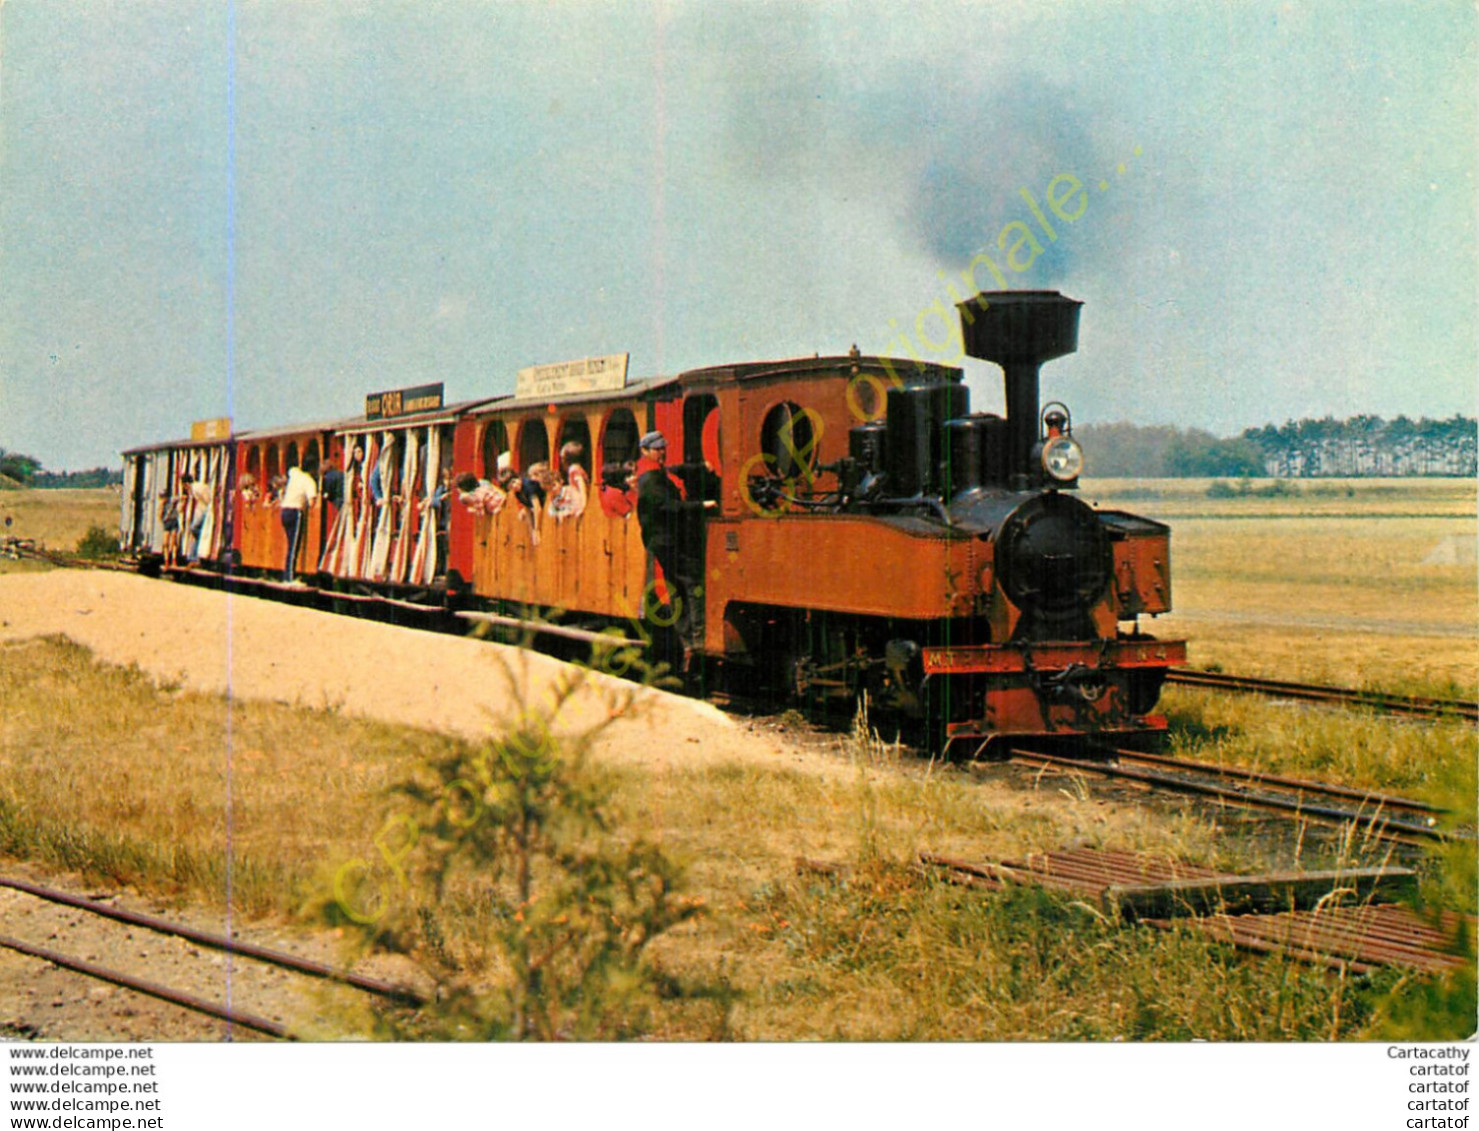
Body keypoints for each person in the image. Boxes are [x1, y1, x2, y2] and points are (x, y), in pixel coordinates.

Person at [634, 431, 715, 667]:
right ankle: (696, 640)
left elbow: (676, 469)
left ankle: (689, 642)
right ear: (645, 451)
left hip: (665, 540)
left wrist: (700, 466)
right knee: (691, 583)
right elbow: (667, 506)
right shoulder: (649, 479)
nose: (662, 452)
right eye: (657, 449)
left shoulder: (653, 471)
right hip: (666, 541)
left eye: (663, 447)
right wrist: (700, 505)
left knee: (678, 588)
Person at [279, 458, 319, 583]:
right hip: (295, 512)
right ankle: (289, 578)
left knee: (291, 545)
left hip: (284, 510)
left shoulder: (295, 473)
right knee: (294, 546)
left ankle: (288, 575)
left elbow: (287, 474)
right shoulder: (309, 481)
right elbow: (312, 502)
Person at [549, 442, 590, 520]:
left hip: (578, 501)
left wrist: (582, 507)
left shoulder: (573, 469)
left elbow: (582, 487)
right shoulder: (577, 469)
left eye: (562, 458)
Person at [182, 472, 212, 564]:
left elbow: (207, 498)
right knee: (195, 533)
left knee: (194, 529)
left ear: (186, 484)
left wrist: (205, 507)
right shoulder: (194, 489)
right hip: (201, 511)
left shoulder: (196, 488)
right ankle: (192, 557)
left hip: (204, 511)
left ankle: (193, 556)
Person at [159, 488, 181, 568]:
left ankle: (174, 560)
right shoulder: (162, 504)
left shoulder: (171, 500)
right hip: (167, 522)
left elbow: (180, 498)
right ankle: (166, 561)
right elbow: (160, 516)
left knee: (173, 541)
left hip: (173, 520)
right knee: (165, 543)